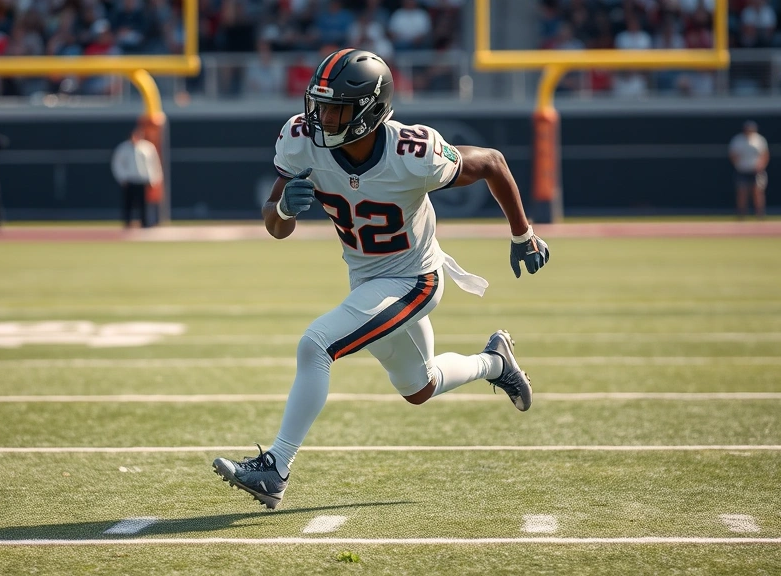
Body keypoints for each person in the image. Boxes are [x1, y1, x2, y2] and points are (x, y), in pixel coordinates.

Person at [212, 49, 550, 509]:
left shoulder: (413, 153)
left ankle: (276, 468)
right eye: (319, 105)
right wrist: (285, 208)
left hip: (415, 278)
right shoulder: (302, 139)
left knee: (316, 345)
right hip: (368, 280)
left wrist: (522, 234)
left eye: (335, 109)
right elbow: (275, 226)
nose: (321, 118)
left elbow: (491, 161)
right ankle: (496, 363)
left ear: (369, 112)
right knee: (420, 387)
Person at [111, 127, 162, 229]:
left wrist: (155, 177)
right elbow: (117, 164)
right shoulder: (123, 148)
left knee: (144, 203)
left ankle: (146, 223)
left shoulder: (147, 148)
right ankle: (128, 223)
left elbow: (154, 163)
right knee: (128, 203)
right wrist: (122, 178)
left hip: (143, 180)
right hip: (129, 180)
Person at [729, 120, 769, 219]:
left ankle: (760, 214)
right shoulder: (738, 140)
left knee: (758, 192)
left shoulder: (760, 140)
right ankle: (741, 214)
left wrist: (761, 165)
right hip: (742, 170)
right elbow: (733, 155)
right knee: (742, 192)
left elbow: (765, 154)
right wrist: (738, 165)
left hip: (756, 171)